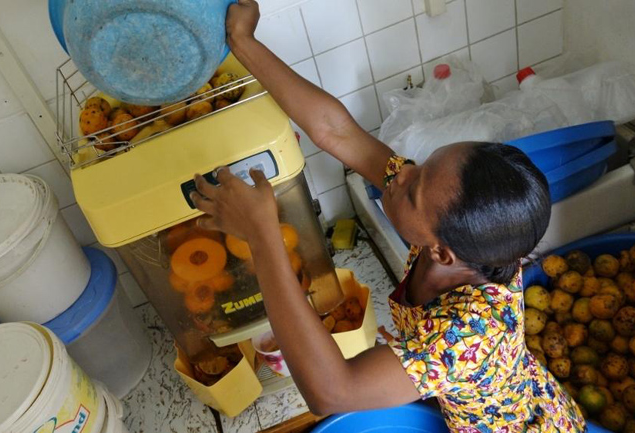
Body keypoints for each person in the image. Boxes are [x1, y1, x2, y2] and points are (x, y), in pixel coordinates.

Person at [189, 1, 586, 431]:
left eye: (413, 188)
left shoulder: (467, 335)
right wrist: (244, 42)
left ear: (443, 252)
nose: (400, 173)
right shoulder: (458, 235)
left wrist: (262, 235)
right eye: (421, 165)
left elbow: (330, 392)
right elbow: (337, 132)